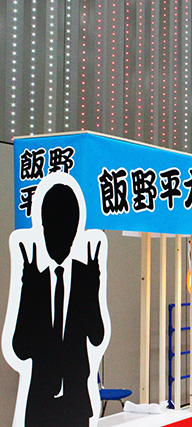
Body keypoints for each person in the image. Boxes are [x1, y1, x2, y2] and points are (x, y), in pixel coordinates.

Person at [2, 173, 109, 426]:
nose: (59, 238)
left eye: (66, 228)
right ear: (42, 227)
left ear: (75, 230)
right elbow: (20, 349)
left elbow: (96, 336)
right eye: (52, 227)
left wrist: (93, 291)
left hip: (76, 403)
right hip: (39, 404)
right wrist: (27, 293)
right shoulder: (35, 281)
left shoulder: (84, 277)